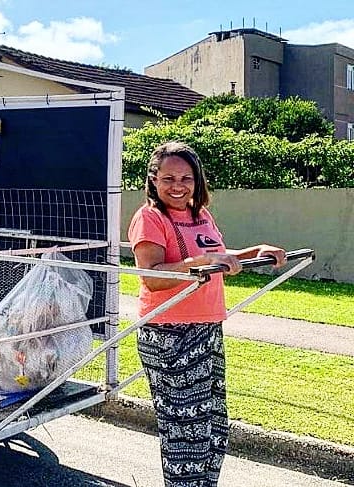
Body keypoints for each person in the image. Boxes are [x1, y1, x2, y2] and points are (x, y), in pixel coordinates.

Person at [127, 141, 286, 487]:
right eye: (168, 177)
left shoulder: (201, 216)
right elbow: (152, 277)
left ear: (197, 181)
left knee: (213, 426)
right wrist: (197, 264)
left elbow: (219, 256)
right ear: (153, 179)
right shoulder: (149, 218)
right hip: (169, 334)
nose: (178, 185)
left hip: (207, 329)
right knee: (185, 431)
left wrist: (255, 251)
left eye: (186, 178)